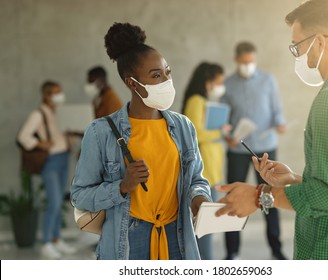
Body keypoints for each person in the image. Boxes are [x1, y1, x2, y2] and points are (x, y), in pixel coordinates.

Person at [216, 0, 328, 260]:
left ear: (319, 42)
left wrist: (258, 194)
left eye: (297, 46)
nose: (297, 55)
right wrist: (296, 179)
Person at [71, 22, 211, 260]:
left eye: (168, 72)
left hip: (177, 237)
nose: (166, 81)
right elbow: (79, 195)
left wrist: (199, 199)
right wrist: (122, 186)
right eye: (156, 75)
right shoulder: (100, 132)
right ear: (132, 83)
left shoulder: (183, 126)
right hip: (128, 240)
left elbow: (196, 179)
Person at [220, 41, 287, 260]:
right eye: (244, 62)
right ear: (236, 60)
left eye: (251, 61)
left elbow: (277, 110)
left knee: (272, 197)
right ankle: (232, 252)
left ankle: (276, 251)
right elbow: (224, 120)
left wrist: (280, 123)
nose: (248, 65)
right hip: (239, 150)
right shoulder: (227, 84)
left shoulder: (268, 80)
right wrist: (226, 135)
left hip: (266, 147)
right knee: (233, 197)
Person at [17, 81, 76, 259]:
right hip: (49, 161)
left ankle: (57, 240)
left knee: (58, 202)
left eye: (60, 91)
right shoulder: (38, 113)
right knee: (54, 201)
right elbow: (23, 137)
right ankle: (46, 243)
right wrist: (40, 143)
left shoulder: (58, 112)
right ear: (46, 95)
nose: (60, 96)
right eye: (56, 93)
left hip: (63, 159)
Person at [182, 62, 231, 259]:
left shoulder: (202, 101)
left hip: (212, 168)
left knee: (206, 223)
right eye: (219, 81)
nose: (221, 85)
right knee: (205, 223)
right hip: (205, 171)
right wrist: (219, 132)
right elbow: (195, 134)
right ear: (208, 81)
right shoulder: (196, 101)